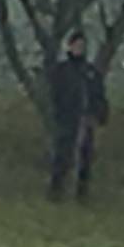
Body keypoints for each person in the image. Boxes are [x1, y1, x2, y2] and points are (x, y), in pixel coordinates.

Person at [47, 31, 109, 202]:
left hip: (86, 120)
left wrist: (100, 115)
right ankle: (56, 190)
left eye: (82, 46)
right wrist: (61, 114)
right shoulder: (61, 71)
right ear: (70, 47)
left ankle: (82, 193)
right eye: (76, 45)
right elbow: (56, 96)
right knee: (63, 155)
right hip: (67, 120)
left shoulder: (90, 72)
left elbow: (98, 95)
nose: (79, 49)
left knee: (85, 157)